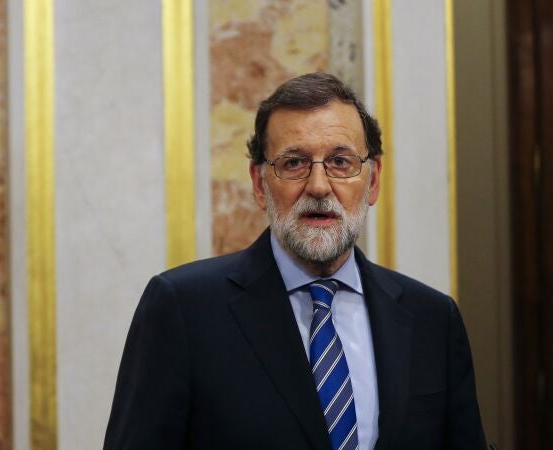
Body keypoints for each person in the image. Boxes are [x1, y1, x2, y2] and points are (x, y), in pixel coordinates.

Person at [103, 72, 487, 450]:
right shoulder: (183, 309)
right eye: (293, 163)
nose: (318, 187)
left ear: (372, 182)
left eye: (340, 162)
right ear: (259, 184)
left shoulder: (433, 320)